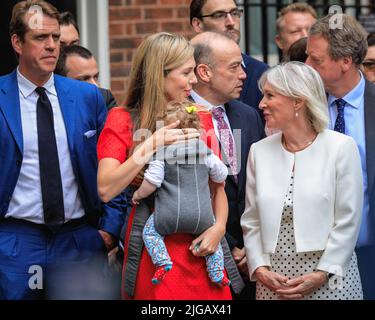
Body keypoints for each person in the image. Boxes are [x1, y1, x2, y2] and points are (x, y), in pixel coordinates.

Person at [0, 0, 124, 299]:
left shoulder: (87, 98)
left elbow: (113, 162)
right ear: (17, 42)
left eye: (55, 38)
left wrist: (108, 229)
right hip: (16, 240)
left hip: (79, 238)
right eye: (41, 38)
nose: (52, 46)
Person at [97, 32, 232, 300]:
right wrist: (150, 144)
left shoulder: (200, 118)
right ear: (159, 74)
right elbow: (106, 189)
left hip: (202, 243)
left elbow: (217, 188)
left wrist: (219, 229)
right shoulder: (122, 120)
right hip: (154, 246)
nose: (194, 81)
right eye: (186, 73)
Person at [241, 62, 364, 300]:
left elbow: (348, 219)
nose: (261, 104)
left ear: (298, 101)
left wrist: (322, 272)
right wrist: (259, 268)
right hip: (273, 280)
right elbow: (252, 219)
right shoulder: (259, 151)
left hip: (330, 277)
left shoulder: (340, 147)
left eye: (270, 95)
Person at [190, 31, 265, 299]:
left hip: (254, 259)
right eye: (234, 67)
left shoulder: (248, 115)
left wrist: (252, 247)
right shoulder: (176, 116)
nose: (244, 74)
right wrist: (229, 246)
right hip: (200, 255)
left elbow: (260, 185)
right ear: (204, 72)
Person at [306, 14, 375, 300]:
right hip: (314, 255)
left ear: (345, 61)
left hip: (370, 250)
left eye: (315, 59)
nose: (306, 66)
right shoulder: (303, 107)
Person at [132, 101, 230, 286]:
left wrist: (138, 195)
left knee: (150, 233)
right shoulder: (206, 153)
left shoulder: (161, 154)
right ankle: (216, 271)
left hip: (168, 215)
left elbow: (152, 182)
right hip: (202, 216)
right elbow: (221, 174)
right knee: (213, 241)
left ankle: (162, 261)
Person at [190, 0, 268, 115]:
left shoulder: (262, 73)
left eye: (235, 13)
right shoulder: (178, 75)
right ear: (197, 24)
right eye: (219, 15)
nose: (231, 22)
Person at [55, 44, 117, 109]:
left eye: (95, 77)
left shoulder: (104, 99)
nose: (95, 85)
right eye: (84, 79)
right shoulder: (49, 106)